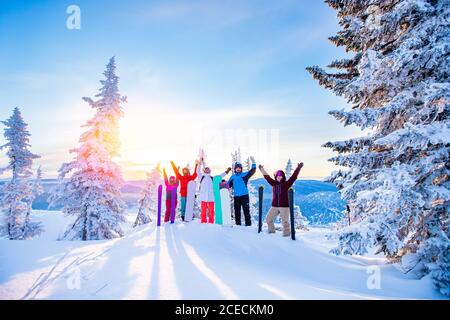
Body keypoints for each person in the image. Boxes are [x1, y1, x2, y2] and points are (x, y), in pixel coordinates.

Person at [258, 162, 304, 236]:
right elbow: (267, 177)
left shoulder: (287, 184)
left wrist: (298, 168)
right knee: (268, 219)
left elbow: (294, 176)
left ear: (283, 177)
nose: (279, 177)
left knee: (285, 222)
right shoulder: (273, 183)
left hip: (284, 206)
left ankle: (286, 236)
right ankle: (271, 234)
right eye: (278, 176)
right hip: (275, 206)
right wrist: (261, 169)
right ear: (275, 177)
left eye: (281, 176)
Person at [196, 158, 231, 224]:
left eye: (208, 169)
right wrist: (199, 163)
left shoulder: (212, 178)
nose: (207, 170)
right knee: (203, 211)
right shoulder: (202, 177)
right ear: (204, 171)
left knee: (211, 211)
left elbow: (219, 176)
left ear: (210, 171)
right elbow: (198, 171)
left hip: (211, 197)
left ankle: (211, 222)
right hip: (203, 197)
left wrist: (226, 172)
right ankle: (203, 222)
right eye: (206, 169)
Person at [228, 157, 256, 226]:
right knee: (237, 211)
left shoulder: (244, 175)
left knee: (246, 211)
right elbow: (228, 185)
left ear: (241, 169)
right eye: (237, 168)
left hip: (244, 196)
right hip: (236, 197)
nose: (238, 169)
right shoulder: (232, 177)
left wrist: (254, 163)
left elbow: (252, 171)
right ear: (235, 169)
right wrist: (221, 184)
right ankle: (238, 225)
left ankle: (248, 225)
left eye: (239, 168)